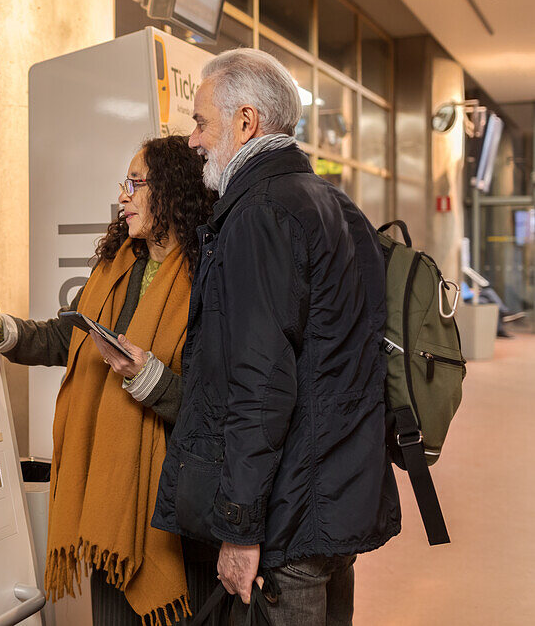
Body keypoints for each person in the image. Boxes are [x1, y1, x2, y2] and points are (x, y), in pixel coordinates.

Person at [152, 48, 401, 625]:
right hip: (335, 501)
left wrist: (239, 529)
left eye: (200, 122)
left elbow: (260, 386)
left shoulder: (259, 212)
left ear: (246, 121)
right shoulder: (336, 205)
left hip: (287, 519)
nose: (192, 140)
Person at [0, 136, 216, 625]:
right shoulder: (120, 264)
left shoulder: (207, 276)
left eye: (136, 183)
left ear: (171, 191)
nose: (123, 196)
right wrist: (4, 330)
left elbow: (214, 406)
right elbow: (69, 336)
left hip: (170, 509)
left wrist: (147, 378)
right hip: (108, 498)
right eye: (125, 184)